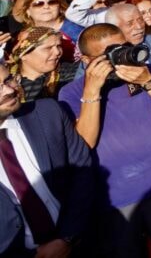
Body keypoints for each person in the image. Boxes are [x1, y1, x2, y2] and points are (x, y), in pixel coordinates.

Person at [59, 23, 151, 258]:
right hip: (116, 198)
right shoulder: (71, 92)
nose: (119, 57)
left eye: (122, 48)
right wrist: (91, 92)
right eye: (108, 55)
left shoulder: (147, 70)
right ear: (86, 60)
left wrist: (148, 80)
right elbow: (84, 143)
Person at [0, 62, 96, 257]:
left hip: (78, 241)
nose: (9, 90)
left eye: (8, 79)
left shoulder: (48, 112)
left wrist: (66, 238)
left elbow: (82, 172)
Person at [6, 27, 77, 102]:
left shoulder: (69, 72)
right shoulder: (7, 86)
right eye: (48, 48)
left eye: (58, 46)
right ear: (23, 55)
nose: (57, 52)